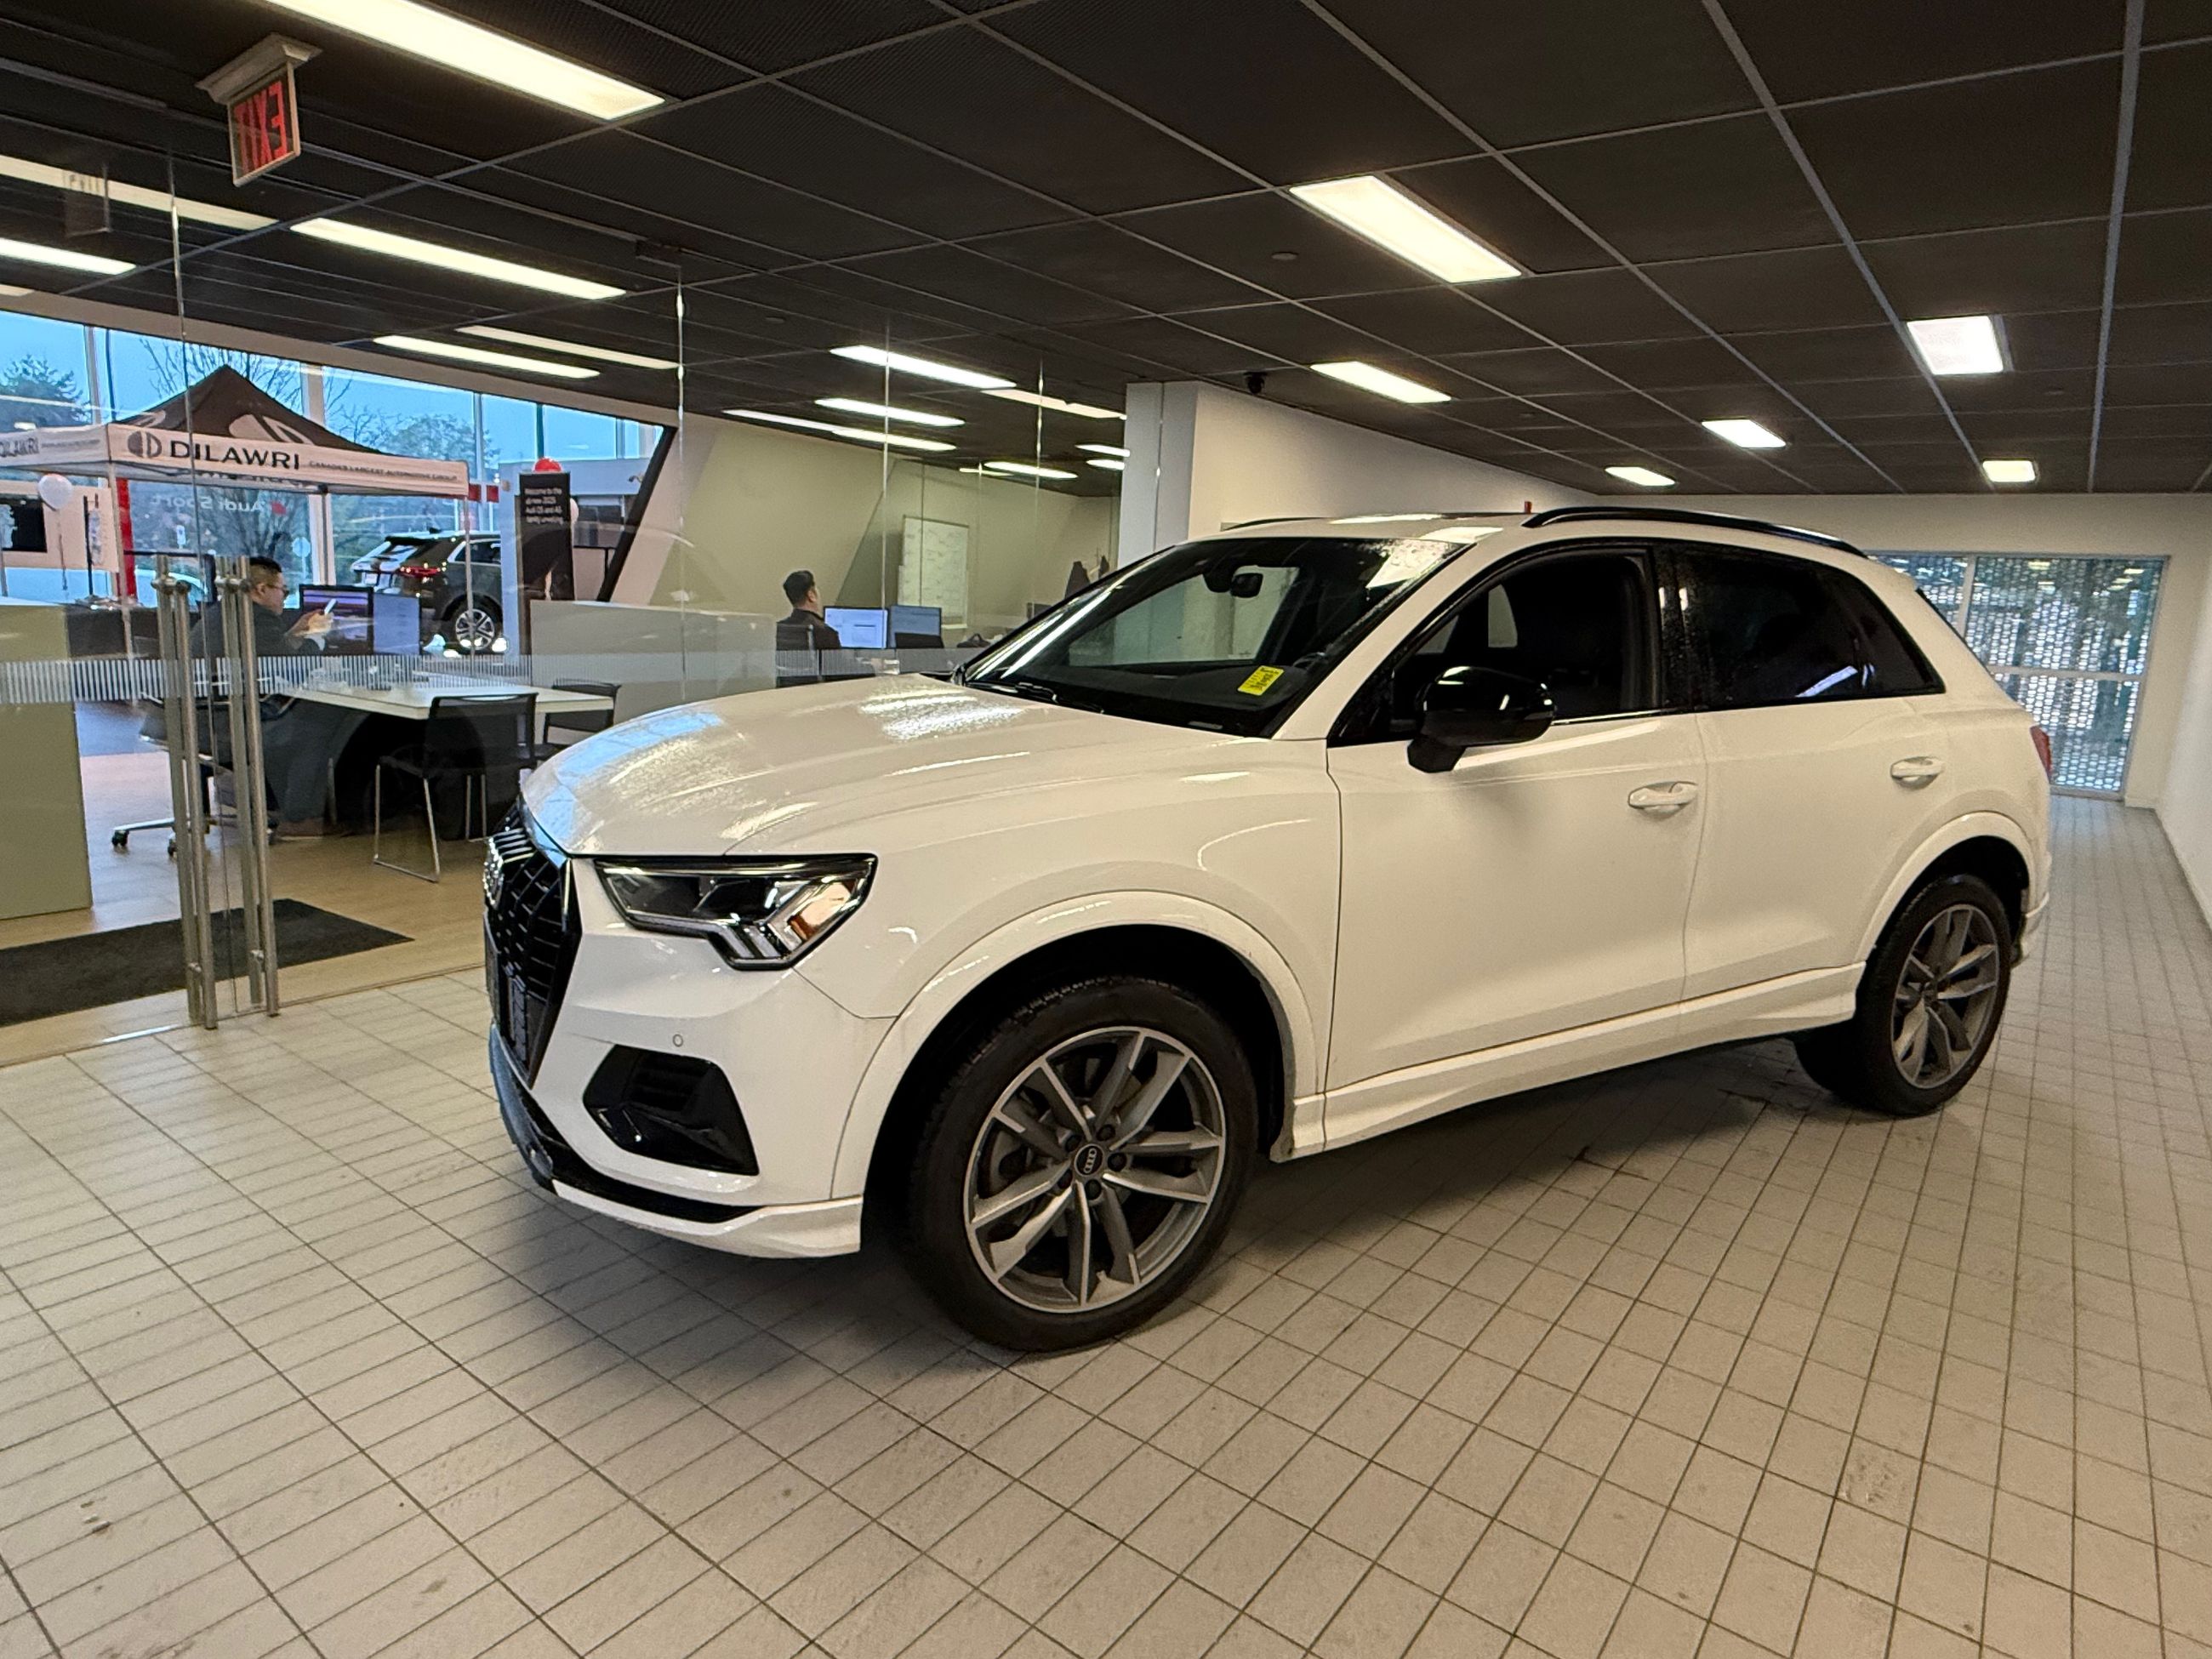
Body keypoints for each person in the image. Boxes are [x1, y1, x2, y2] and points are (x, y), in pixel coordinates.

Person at [157, 558, 347, 838]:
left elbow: (268, 656)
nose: (284, 596)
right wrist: (317, 638)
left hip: (193, 720)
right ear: (260, 589)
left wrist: (296, 634)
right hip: (223, 726)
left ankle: (288, 809)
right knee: (315, 728)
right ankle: (298, 820)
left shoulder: (225, 613)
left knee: (306, 718)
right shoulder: (255, 619)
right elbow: (292, 672)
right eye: (283, 590)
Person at [775, 567, 841, 688]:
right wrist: (872, 667)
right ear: (811, 595)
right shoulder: (824, 632)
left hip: (787, 698)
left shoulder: (779, 628)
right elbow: (840, 674)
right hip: (819, 700)